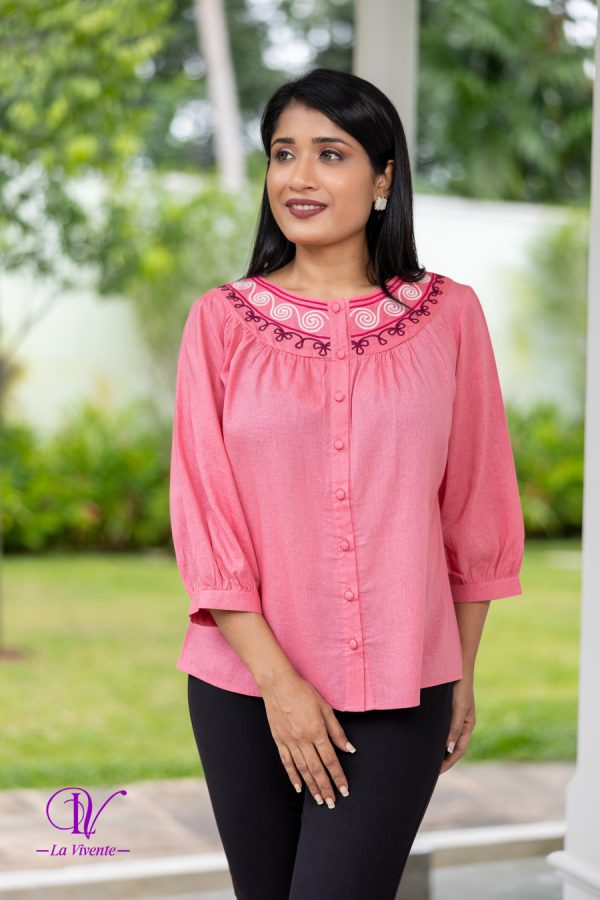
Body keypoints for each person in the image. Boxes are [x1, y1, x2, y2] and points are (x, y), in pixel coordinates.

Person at [169, 67, 525, 900]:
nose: (300, 176)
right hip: (244, 689)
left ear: (383, 178)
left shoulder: (450, 317)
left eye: (331, 154)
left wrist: (461, 669)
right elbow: (208, 521)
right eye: (283, 153)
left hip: (402, 687)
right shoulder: (220, 323)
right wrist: (281, 686)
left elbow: (475, 510)